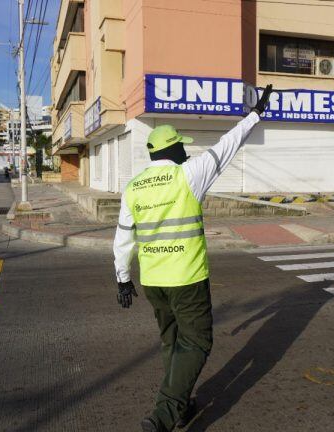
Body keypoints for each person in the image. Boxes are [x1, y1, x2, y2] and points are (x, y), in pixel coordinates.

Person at [113, 84, 274, 432]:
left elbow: (123, 238)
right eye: (183, 145)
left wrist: (122, 278)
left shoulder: (134, 186)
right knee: (198, 341)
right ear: (174, 148)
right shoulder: (189, 175)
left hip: (153, 281)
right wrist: (255, 115)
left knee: (173, 342)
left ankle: (181, 405)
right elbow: (227, 146)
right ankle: (164, 414)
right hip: (186, 279)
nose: (187, 150)